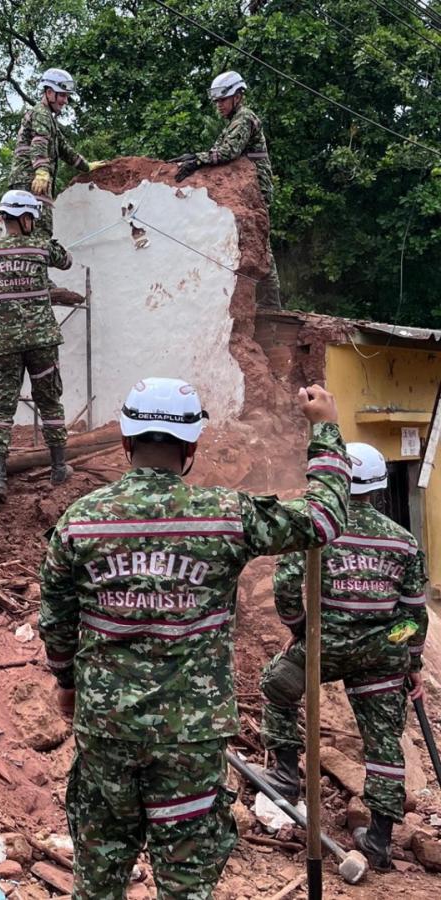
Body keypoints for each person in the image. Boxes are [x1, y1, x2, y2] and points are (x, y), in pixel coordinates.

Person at [39, 377, 349, 899]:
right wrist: (326, 431)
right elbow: (322, 519)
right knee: (186, 886)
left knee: (97, 881)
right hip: (191, 739)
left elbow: (58, 623)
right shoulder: (226, 516)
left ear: (125, 442)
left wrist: (68, 686)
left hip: (106, 732)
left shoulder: (81, 523)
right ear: (191, 446)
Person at [259, 441, 428, 870]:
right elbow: (413, 614)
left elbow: (284, 587)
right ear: (379, 486)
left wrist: (298, 630)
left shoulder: (318, 528)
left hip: (324, 646)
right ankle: (379, 842)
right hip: (382, 656)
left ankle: (284, 775)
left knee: (277, 685)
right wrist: (410, 661)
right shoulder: (405, 542)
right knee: (383, 744)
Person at [0, 191, 74, 501]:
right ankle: (59, 467)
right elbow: (67, 260)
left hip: (4, 343)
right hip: (41, 340)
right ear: (26, 218)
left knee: (2, 408)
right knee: (49, 401)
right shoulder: (40, 245)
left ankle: (0, 478)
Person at [171, 71, 280, 310]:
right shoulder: (233, 121)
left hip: (255, 190)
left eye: (223, 100)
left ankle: (270, 304)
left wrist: (196, 159)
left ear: (238, 96)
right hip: (243, 189)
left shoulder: (244, 118)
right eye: (217, 101)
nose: (219, 105)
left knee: (259, 243)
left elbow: (228, 152)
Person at [9, 68, 102, 238]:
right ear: (49, 92)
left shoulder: (48, 118)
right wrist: (41, 171)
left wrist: (86, 166)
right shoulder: (41, 113)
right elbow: (39, 142)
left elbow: (63, 148)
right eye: (62, 95)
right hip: (32, 183)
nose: (65, 101)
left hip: (29, 182)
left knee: (31, 233)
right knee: (39, 232)